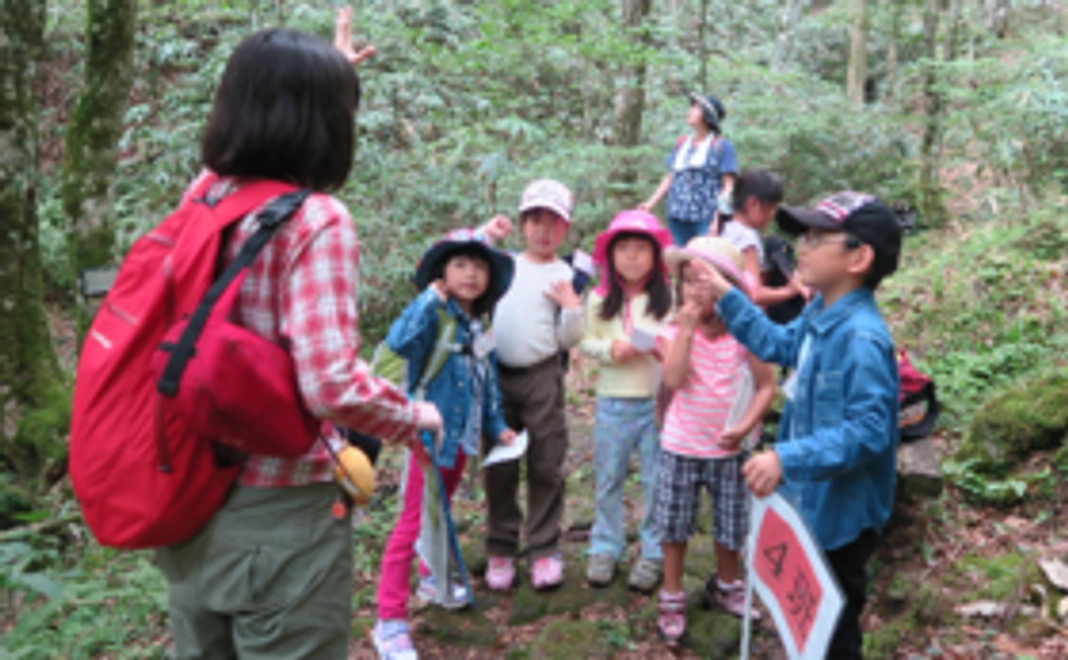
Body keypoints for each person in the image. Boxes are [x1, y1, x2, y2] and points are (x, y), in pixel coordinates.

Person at [154, 18, 444, 659]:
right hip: (281, 515)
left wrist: (327, 75)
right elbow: (330, 384)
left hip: (191, 501)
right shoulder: (317, 222)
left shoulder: (203, 196)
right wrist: (412, 415)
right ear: (325, 122)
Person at [700, 192, 903, 659]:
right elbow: (775, 344)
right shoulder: (819, 313)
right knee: (806, 621)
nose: (801, 248)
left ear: (860, 256)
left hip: (842, 518)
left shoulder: (862, 338)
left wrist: (786, 458)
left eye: (816, 238)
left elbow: (870, 430)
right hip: (811, 505)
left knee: (833, 629)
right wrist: (728, 297)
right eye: (803, 236)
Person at [372, 229, 517, 660]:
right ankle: (389, 619)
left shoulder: (479, 325)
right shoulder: (434, 315)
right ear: (441, 273)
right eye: (459, 265)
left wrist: (498, 425)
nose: (470, 274)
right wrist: (427, 301)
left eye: (478, 266)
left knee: (441, 508)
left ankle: (430, 574)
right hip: (429, 436)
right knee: (412, 521)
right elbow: (399, 342)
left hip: (462, 439)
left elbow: (486, 381)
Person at [651, 237, 775, 646]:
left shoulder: (746, 331)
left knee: (731, 524)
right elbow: (673, 380)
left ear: (730, 289)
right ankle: (671, 595)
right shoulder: (675, 330)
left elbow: (765, 386)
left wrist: (745, 427)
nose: (696, 290)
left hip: (729, 450)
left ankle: (726, 584)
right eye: (688, 282)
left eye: (707, 281)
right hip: (680, 445)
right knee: (673, 525)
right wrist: (685, 329)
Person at [482, 179, 584, 591]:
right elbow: (462, 271)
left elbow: (567, 340)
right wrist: (485, 237)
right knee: (500, 463)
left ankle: (543, 548)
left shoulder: (567, 274)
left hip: (543, 376)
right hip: (496, 377)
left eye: (553, 222)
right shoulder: (502, 264)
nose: (544, 230)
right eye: (535, 220)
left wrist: (572, 309)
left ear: (566, 227)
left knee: (546, 462)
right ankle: (501, 546)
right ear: (523, 223)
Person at [580, 210, 673, 593]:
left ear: (656, 255)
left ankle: (652, 551)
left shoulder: (667, 298)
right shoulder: (599, 299)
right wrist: (609, 349)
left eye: (641, 249)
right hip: (612, 402)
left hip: (657, 403)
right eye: (624, 249)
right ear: (610, 255)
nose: (632, 256)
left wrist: (661, 349)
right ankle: (605, 546)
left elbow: (679, 338)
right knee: (608, 477)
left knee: (656, 479)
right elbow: (584, 341)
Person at [639, 93, 738, 246]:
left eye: (696, 108)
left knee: (704, 262)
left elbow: (728, 187)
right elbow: (671, 177)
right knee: (679, 262)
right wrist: (651, 203)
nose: (690, 111)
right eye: (691, 107)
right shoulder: (681, 143)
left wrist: (718, 220)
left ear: (707, 116)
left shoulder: (722, 146)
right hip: (677, 215)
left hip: (706, 218)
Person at [720, 168, 810, 309]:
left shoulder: (725, 229)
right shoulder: (746, 239)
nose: (772, 214)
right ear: (753, 204)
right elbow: (754, 293)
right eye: (771, 207)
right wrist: (789, 291)